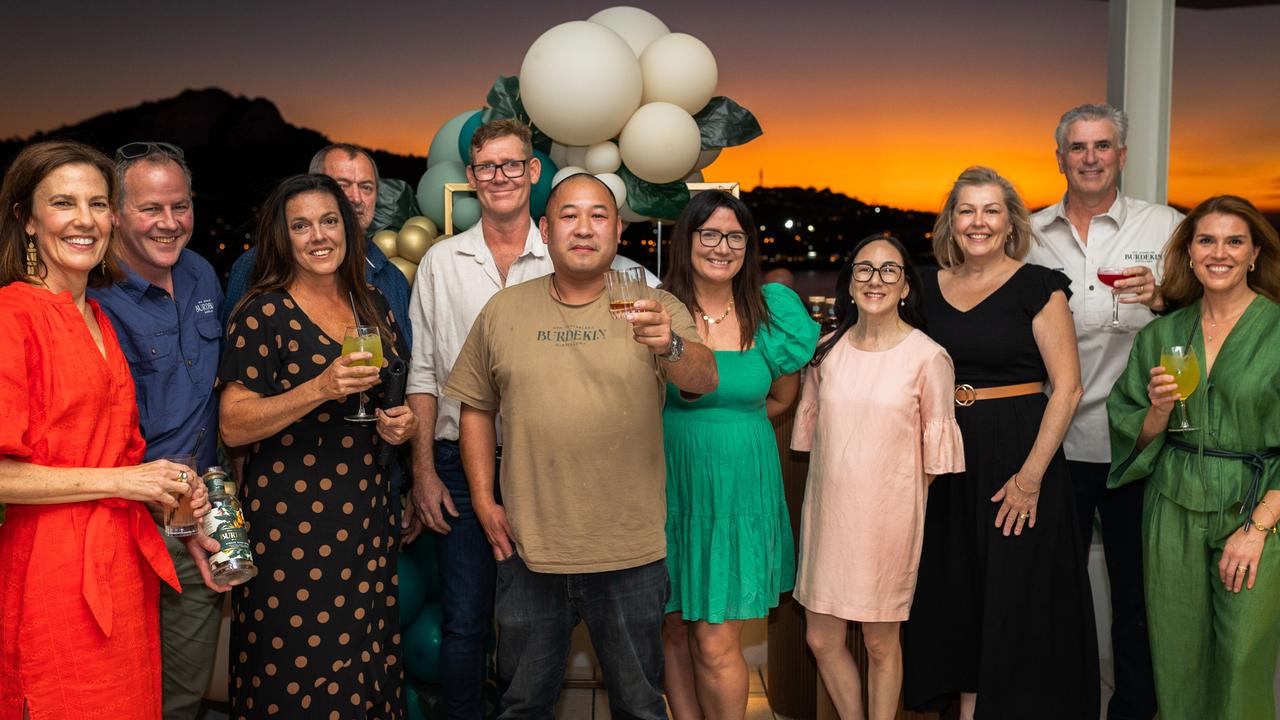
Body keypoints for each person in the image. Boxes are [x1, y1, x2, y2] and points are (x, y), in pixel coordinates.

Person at [404, 118, 657, 719]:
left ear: (533, 172)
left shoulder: (571, 252)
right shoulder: (441, 263)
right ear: (471, 178)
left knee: (537, 623)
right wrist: (423, 473)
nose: (500, 177)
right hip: (457, 466)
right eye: (487, 167)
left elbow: (653, 327)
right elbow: (422, 377)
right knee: (467, 621)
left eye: (512, 164)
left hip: (550, 467)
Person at [443, 173, 717, 718]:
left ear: (618, 230)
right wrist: (482, 500)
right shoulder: (503, 310)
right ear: (545, 231)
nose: (584, 228)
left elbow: (704, 377)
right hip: (529, 550)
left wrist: (672, 344)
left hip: (630, 553)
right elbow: (475, 407)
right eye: (569, 215)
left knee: (640, 705)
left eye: (598, 216)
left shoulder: (653, 305)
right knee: (521, 705)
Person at [0, 140, 214, 720]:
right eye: (64, 203)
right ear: (26, 218)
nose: (85, 221)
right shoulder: (12, 316)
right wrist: (128, 482)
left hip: (123, 561)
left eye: (97, 204)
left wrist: (175, 503)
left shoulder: (95, 317)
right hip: (52, 568)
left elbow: (126, 453)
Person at [218, 173, 417, 719]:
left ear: (350, 228)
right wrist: (320, 388)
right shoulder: (262, 312)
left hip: (366, 515)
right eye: (300, 226)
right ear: (282, 237)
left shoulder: (373, 304)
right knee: (294, 670)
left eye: (329, 221)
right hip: (291, 527)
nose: (318, 236)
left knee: (365, 663)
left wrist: (399, 426)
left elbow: (389, 401)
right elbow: (232, 425)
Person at [902, 166, 1098, 719]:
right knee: (955, 592)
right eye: (967, 210)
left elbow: (1068, 387)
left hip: (1020, 455)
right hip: (947, 458)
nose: (979, 221)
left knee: (1017, 597)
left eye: (992, 210)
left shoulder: (1040, 287)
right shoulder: (922, 287)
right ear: (950, 221)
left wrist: (1031, 477)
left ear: (1011, 222)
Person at [1026, 104, 1182, 720]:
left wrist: (1165, 296)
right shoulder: (1031, 234)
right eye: (1078, 147)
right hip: (1055, 442)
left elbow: (1204, 304)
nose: (1090, 157)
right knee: (1054, 590)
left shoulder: (1163, 226)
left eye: (1103, 146)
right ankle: (1060, 704)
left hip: (1139, 443)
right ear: (1060, 156)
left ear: (1122, 155)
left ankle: (1135, 711)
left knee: (1138, 594)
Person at [1107, 195, 1280, 720]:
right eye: (1206, 240)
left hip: (1254, 507)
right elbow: (1130, 436)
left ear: (1254, 254)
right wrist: (1157, 410)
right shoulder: (1162, 334)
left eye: (1234, 241)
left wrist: (1258, 528)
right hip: (1172, 505)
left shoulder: (1276, 331)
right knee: (1176, 660)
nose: (1219, 252)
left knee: (1241, 658)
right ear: (1188, 252)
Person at [656, 190, 817, 719]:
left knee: (715, 641)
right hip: (668, 485)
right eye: (709, 234)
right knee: (672, 628)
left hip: (740, 487)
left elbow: (784, 399)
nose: (722, 247)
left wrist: (731, 428)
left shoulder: (773, 310)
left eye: (734, 236)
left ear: (748, 245)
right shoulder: (659, 309)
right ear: (687, 240)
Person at [791, 235, 964, 720]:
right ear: (849, 283)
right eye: (864, 269)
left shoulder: (929, 357)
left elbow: (935, 461)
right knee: (821, 637)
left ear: (906, 286)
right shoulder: (826, 352)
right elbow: (816, 440)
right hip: (829, 516)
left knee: (880, 642)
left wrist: (901, 513)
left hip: (887, 521)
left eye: (890, 270)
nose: (876, 279)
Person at [87, 141, 228, 720]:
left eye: (181, 206)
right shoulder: (91, 296)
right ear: (116, 213)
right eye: (152, 209)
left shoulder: (201, 273)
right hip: (123, 520)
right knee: (116, 681)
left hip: (201, 508)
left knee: (185, 687)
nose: (170, 224)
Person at [223, 143, 411, 345]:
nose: (356, 198)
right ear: (312, 186)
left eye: (366, 187)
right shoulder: (260, 262)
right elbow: (235, 360)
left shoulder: (392, 278)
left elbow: (406, 363)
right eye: (342, 185)